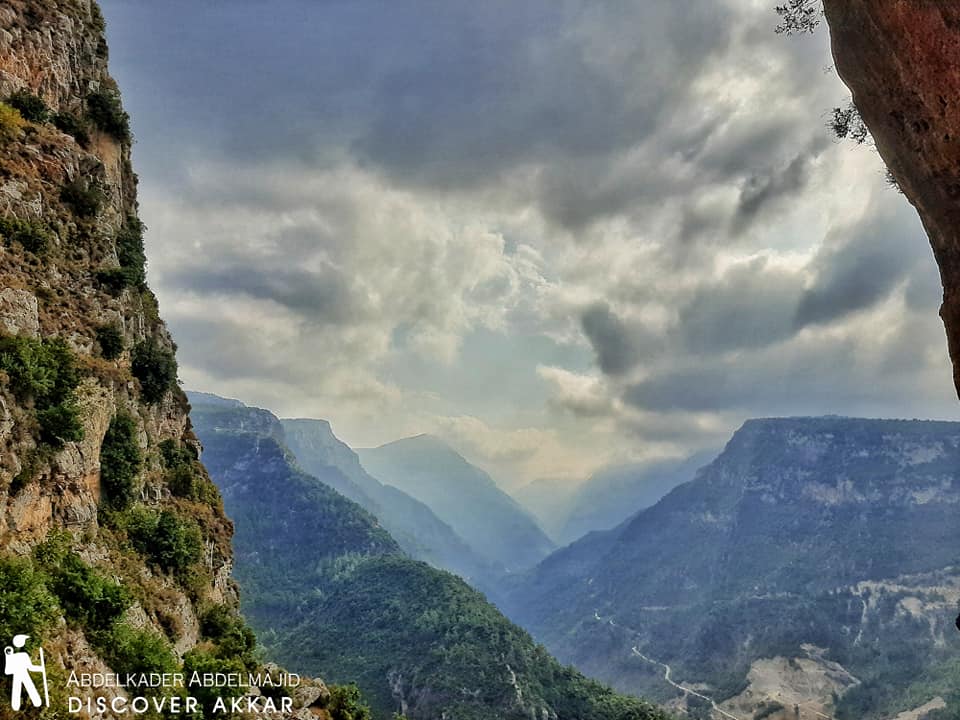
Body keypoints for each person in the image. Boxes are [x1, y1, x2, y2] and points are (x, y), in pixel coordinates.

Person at [4, 635, 44, 710]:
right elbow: (31, 668)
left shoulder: (13, 656)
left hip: (18, 675)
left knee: (18, 689)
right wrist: (40, 668)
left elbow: (7, 671)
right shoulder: (23, 655)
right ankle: (36, 702)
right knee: (30, 688)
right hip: (23, 674)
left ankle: (17, 706)